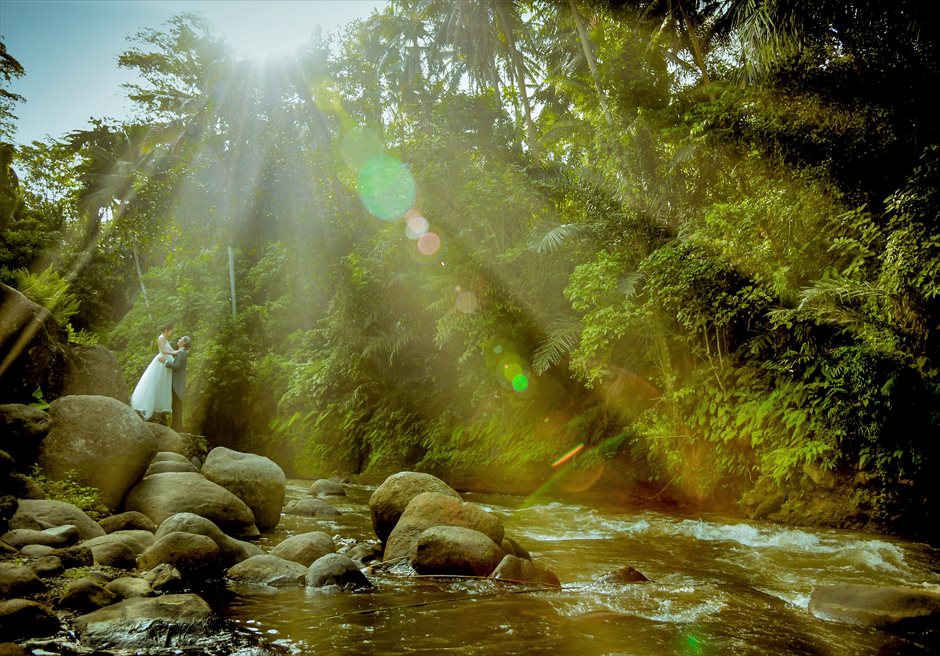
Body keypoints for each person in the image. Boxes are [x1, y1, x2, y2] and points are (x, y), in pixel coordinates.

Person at [130, 323, 178, 420]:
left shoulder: (165, 338)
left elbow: (170, 349)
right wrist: (173, 353)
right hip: (161, 361)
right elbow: (162, 351)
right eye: (171, 331)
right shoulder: (161, 338)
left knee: (163, 384)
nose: (172, 333)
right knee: (155, 382)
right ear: (166, 330)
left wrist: (176, 352)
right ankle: (149, 405)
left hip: (166, 360)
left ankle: (160, 405)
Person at [165, 335, 191, 432]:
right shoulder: (181, 352)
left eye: (181, 339)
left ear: (184, 343)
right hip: (177, 382)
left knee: (177, 405)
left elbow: (177, 366)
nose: (179, 340)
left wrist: (165, 362)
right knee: (176, 405)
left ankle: (178, 428)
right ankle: (176, 427)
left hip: (178, 383)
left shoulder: (182, 353)